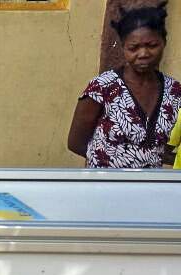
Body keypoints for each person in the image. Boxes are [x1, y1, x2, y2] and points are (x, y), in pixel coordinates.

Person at [68, 3, 181, 169]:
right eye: (133, 48)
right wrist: (110, 159)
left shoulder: (175, 92)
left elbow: (167, 148)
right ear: (123, 48)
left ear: (164, 42)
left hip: (153, 189)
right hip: (105, 187)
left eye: (152, 45)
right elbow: (76, 143)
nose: (143, 54)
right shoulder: (102, 87)